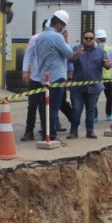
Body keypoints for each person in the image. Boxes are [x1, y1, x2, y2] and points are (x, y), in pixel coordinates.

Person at [32, 10, 75, 139]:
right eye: (63, 25)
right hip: (57, 77)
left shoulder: (40, 37)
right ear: (59, 24)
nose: (63, 28)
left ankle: (46, 134)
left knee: (45, 108)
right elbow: (70, 54)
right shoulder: (57, 37)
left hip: (43, 78)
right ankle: (51, 135)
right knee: (53, 108)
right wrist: (66, 41)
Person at [68, 29, 108, 139]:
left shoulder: (101, 51)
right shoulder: (76, 49)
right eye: (86, 38)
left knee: (91, 110)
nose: (88, 40)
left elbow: (107, 64)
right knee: (76, 110)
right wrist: (77, 54)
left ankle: (90, 131)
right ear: (83, 39)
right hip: (77, 88)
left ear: (94, 39)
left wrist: (108, 64)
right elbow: (70, 60)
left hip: (93, 88)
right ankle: (73, 131)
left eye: (91, 38)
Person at [95, 28, 112, 122]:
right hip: (102, 78)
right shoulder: (107, 49)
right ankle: (103, 115)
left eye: (103, 40)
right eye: (101, 39)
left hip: (104, 77)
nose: (102, 41)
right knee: (96, 98)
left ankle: (102, 115)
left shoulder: (105, 49)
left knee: (106, 97)